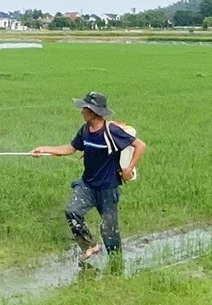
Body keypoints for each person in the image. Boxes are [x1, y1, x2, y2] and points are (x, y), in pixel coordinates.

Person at [31, 91, 146, 270]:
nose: (82, 110)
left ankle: (116, 266)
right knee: (72, 211)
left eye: (85, 108)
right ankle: (90, 246)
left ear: (94, 111)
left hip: (107, 189)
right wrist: (44, 149)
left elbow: (140, 145)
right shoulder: (85, 130)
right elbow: (70, 148)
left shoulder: (111, 131)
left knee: (109, 230)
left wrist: (129, 168)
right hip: (87, 185)